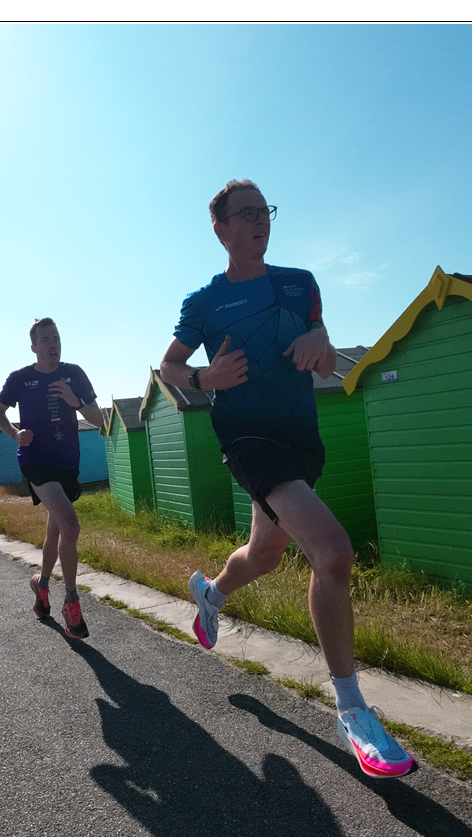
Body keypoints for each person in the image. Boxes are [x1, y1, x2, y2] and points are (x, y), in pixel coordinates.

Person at [160, 178, 414, 779]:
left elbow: (325, 360)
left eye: (264, 212)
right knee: (332, 553)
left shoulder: (300, 284)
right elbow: (170, 367)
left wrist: (320, 342)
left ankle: (211, 594)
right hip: (247, 442)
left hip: (301, 441)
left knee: (265, 554)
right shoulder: (204, 302)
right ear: (220, 229)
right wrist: (206, 379)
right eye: (245, 214)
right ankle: (353, 710)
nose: (259, 222)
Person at [0, 318, 104, 639]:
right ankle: (72, 604)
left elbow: (99, 420)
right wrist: (14, 433)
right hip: (36, 461)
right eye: (46, 340)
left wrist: (76, 401)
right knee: (70, 525)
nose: (53, 345)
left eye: (56, 339)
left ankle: (41, 586)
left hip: (67, 463)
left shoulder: (74, 374)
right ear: (34, 347)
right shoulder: (20, 379)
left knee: (56, 532)